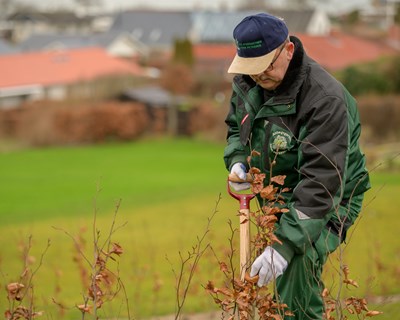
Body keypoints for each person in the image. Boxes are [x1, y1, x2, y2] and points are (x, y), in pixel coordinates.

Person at [224, 12, 370, 319]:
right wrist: (238, 161)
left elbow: (322, 182)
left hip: (331, 197)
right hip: (278, 195)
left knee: (295, 271)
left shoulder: (325, 99)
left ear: (288, 50)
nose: (257, 77)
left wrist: (285, 245)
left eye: (265, 68)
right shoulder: (247, 83)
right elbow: (238, 129)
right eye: (251, 70)